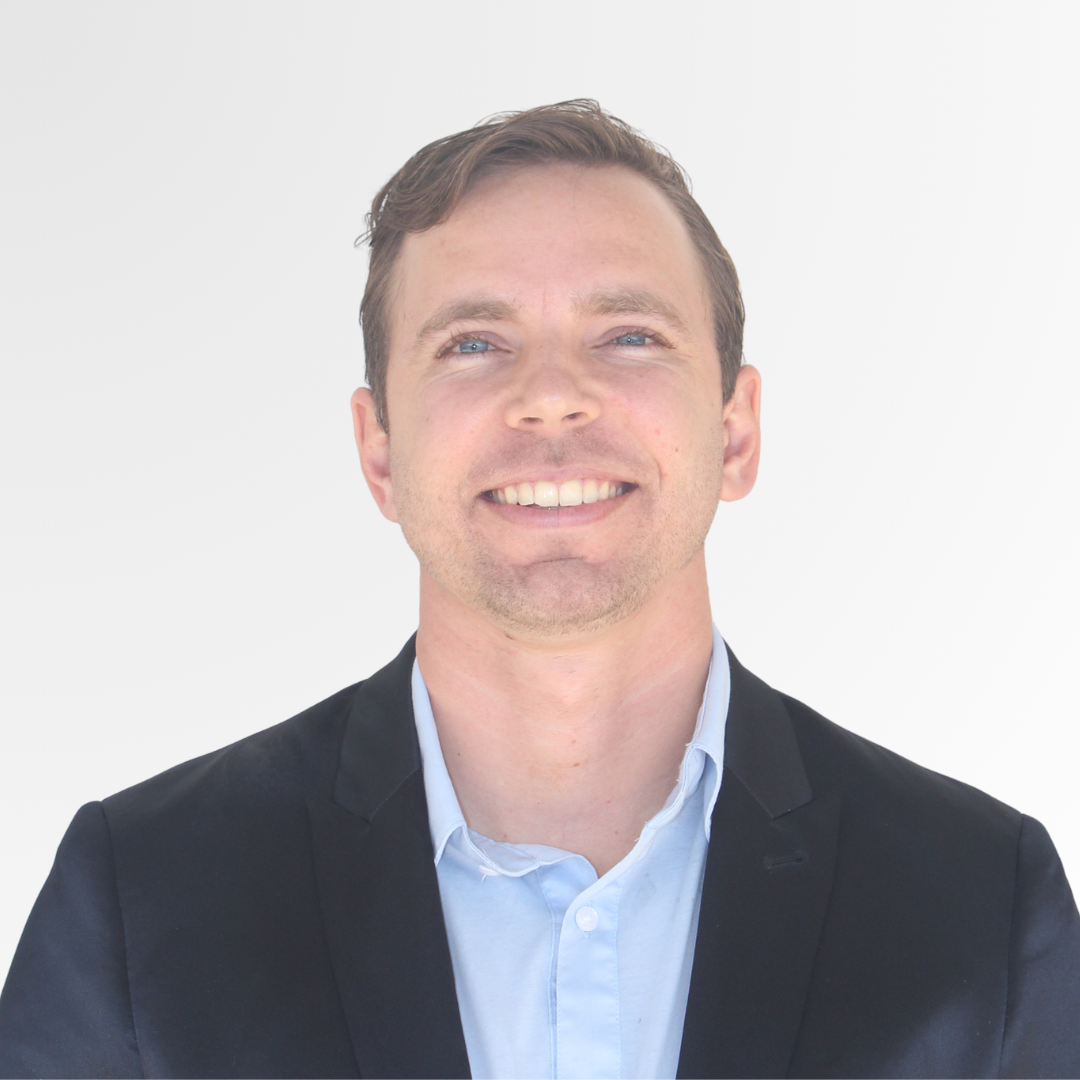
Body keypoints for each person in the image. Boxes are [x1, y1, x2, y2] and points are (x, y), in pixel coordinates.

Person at [1, 100, 1078, 1080]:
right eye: (474, 343)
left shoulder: (981, 901)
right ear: (378, 451)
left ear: (736, 430)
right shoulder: (142, 900)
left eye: (628, 337)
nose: (553, 397)